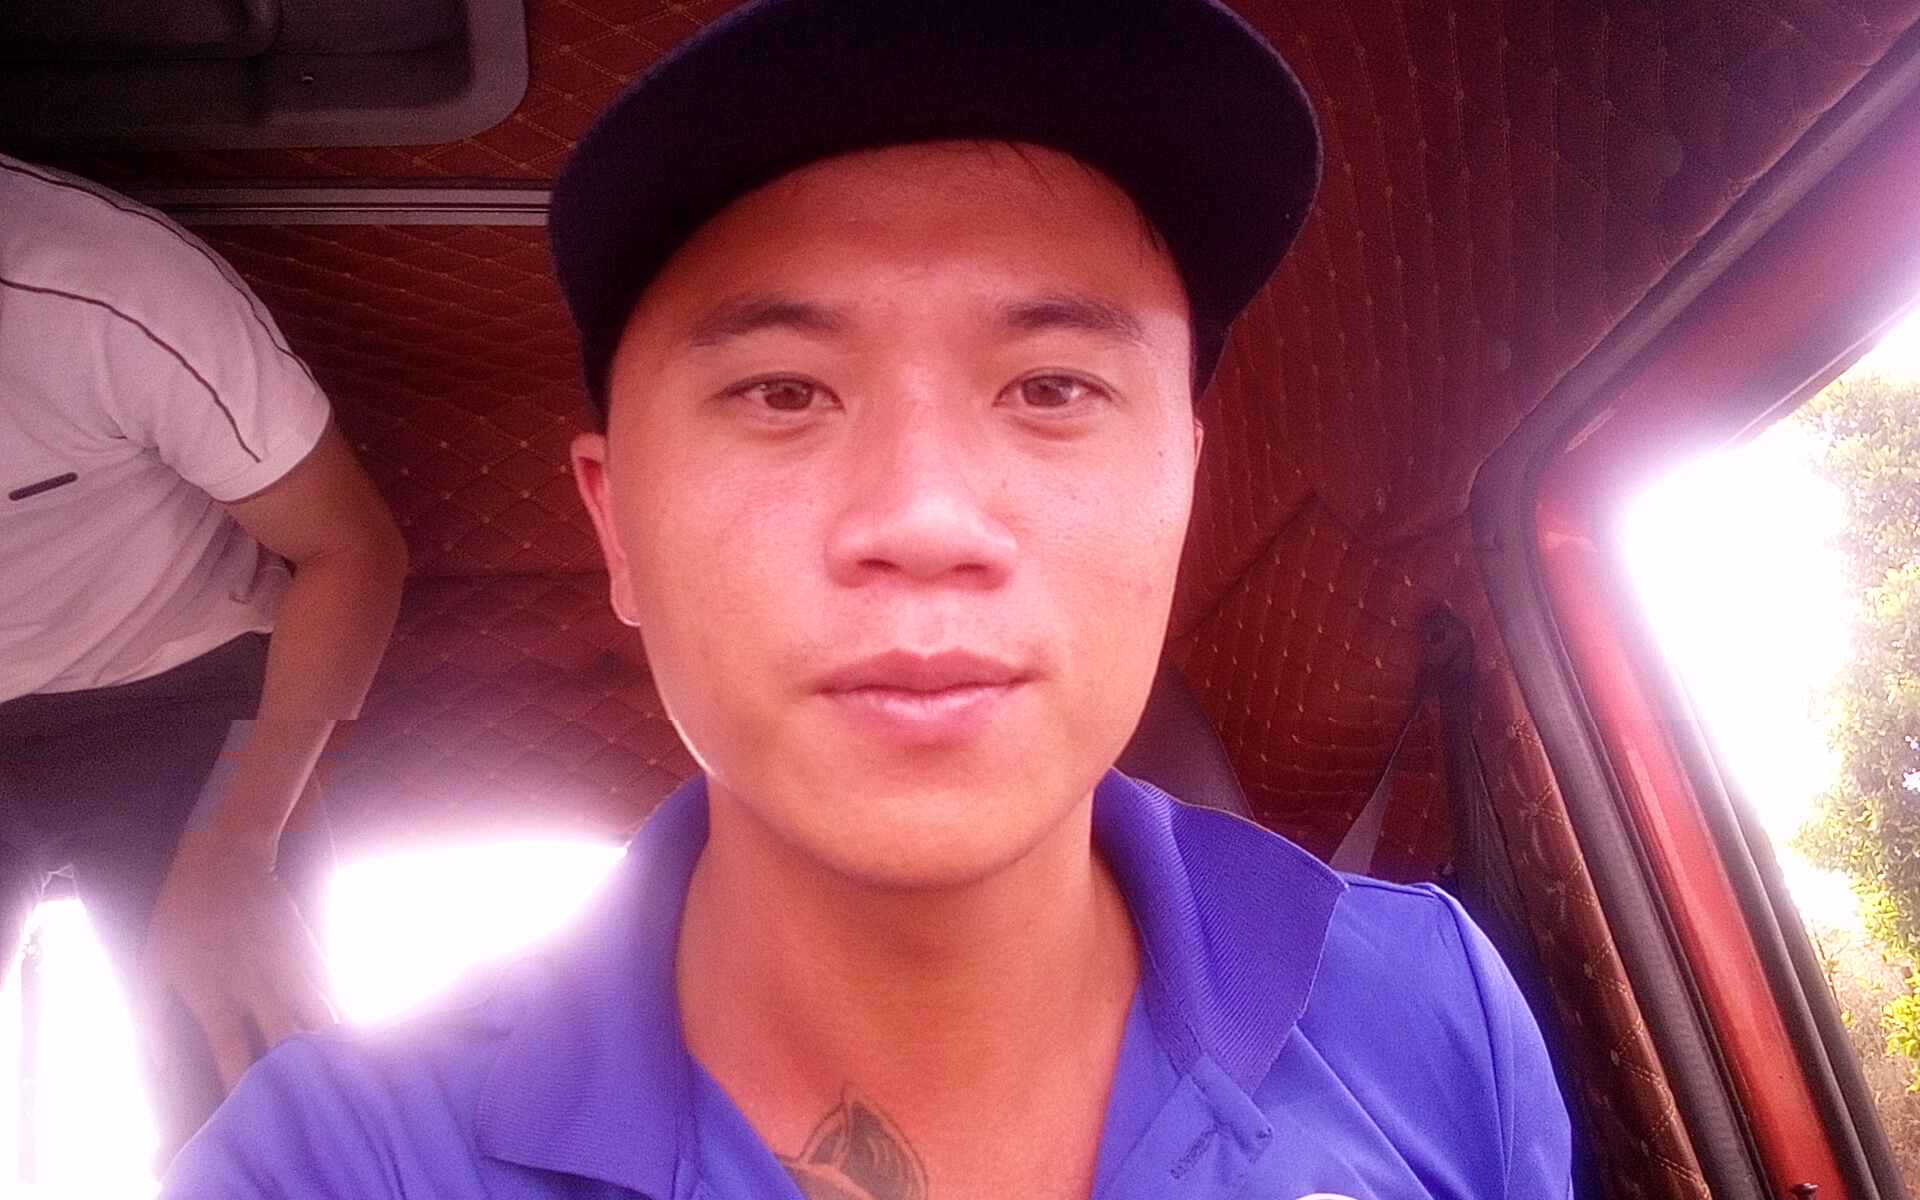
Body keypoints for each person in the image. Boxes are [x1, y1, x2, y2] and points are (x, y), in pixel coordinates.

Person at [162, 1, 1573, 1196]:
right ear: (617, 524)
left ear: (1183, 486)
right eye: (783, 392)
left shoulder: (1430, 1009)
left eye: (1053, 388)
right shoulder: (338, 1160)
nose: (923, 519)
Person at [0, 153, 407, 1163]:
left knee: (253, 1107)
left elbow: (351, 549)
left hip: (180, 692)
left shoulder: (103, 286)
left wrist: (238, 847)